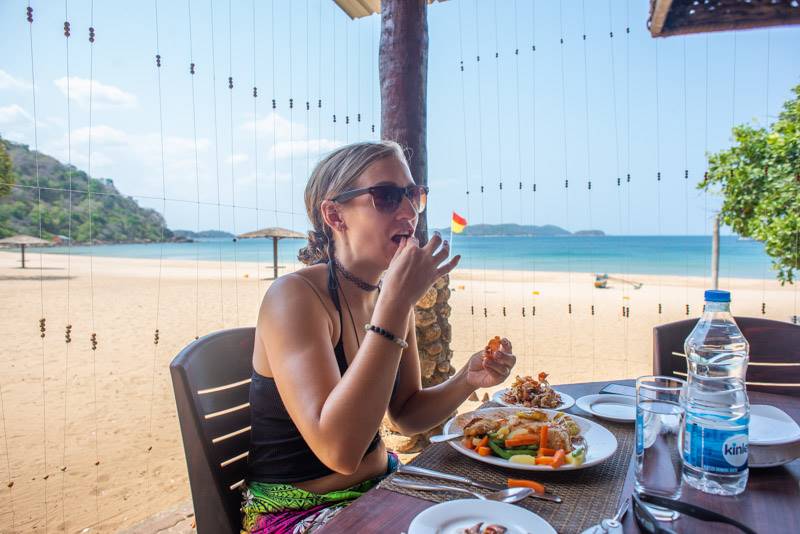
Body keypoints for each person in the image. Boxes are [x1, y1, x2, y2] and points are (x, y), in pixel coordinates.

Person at [242, 141, 516, 533]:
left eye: (413, 194)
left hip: (383, 488)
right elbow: (340, 452)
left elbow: (406, 414)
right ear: (335, 215)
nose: (410, 212)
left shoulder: (385, 297)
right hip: (297, 512)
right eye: (386, 196)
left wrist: (467, 380)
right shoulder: (296, 297)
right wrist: (397, 303)